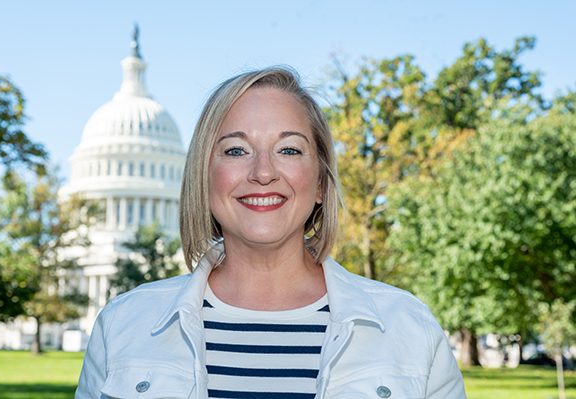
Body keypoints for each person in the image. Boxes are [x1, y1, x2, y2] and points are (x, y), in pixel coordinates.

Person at [75, 66, 466, 399]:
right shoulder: (122, 328)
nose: (263, 172)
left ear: (321, 184)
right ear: (202, 178)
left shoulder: (410, 329)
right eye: (235, 150)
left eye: (290, 150)